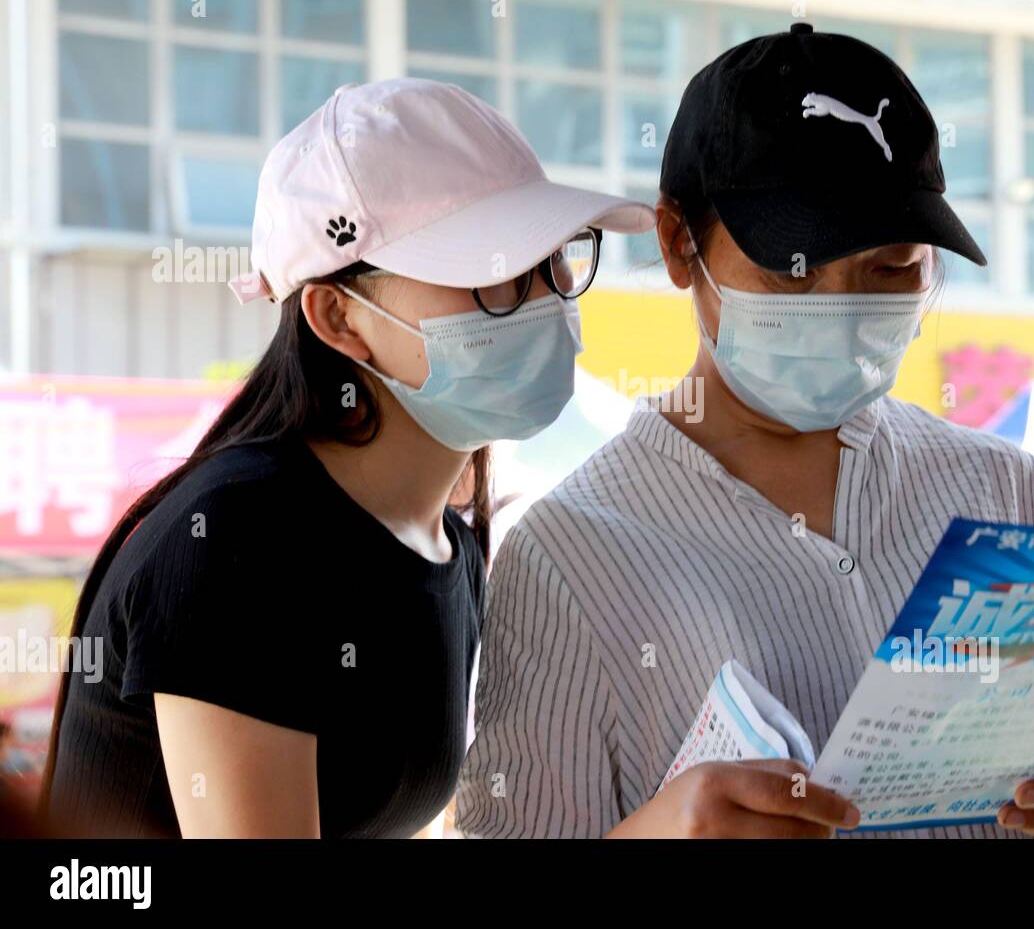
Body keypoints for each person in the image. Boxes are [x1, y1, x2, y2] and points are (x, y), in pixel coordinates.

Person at [457, 25, 1034, 839]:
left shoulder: (1001, 492)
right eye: (787, 270)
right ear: (675, 243)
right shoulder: (569, 560)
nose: (837, 309)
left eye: (890, 269)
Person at [39, 79, 653, 838]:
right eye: (492, 279)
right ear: (339, 317)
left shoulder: (446, 543)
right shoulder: (242, 542)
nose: (549, 300)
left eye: (555, 259)